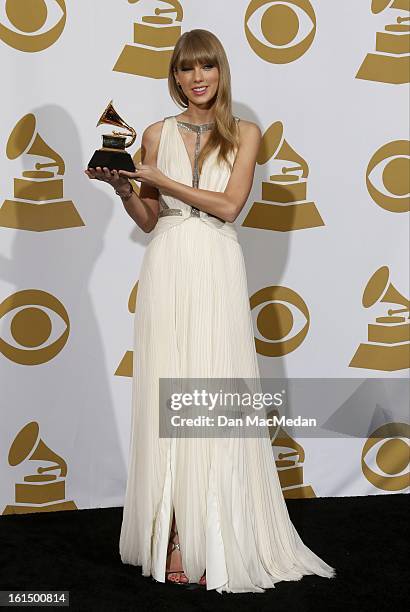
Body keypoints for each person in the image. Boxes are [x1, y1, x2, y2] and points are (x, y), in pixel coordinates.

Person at [85, 28, 336, 594]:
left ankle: (218, 536)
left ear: (221, 72)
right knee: (168, 396)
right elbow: (151, 219)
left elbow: (228, 205)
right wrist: (124, 188)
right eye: (185, 69)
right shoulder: (153, 133)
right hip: (168, 264)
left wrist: (160, 179)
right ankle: (175, 537)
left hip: (218, 266)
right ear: (174, 77)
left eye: (207, 67)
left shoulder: (245, 133)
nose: (196, 78)